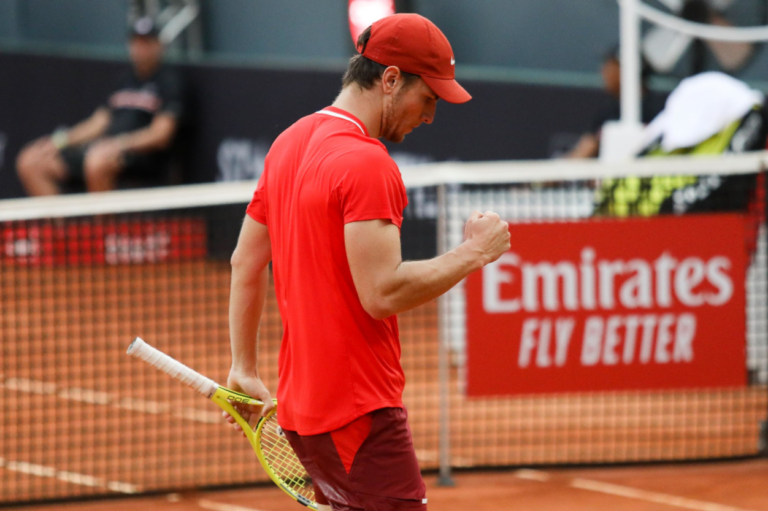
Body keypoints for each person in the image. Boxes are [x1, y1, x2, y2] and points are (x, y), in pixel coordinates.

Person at [224, 14, 510, 511]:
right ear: (391, 79)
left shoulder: (288, 143)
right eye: (429, 98)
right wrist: (475, 253)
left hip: (302, 415)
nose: (430, 116)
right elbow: (383, 293)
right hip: (359, 412)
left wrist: (243, 366)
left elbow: (244, 263)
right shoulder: (368, 163)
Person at [15, 17, 184, 196]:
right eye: (136, 42)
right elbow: (99, 122)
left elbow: (160, 135)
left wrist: (118, 144)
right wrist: (58, 141)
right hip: (101, 149)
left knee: (97, 160)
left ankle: (101, 224)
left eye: (146, 43)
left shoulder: (171, 82)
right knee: (31, 160)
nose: (141, 49)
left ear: (158, 45)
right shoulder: (124, 80)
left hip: (139, 158)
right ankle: (60, 224)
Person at [566, 47, 665, 159]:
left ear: (628, 70)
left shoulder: (660, 110)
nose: (603, 72)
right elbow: (583, 151)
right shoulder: (608, 111)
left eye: (610, 67)